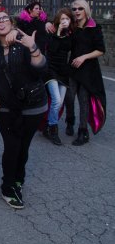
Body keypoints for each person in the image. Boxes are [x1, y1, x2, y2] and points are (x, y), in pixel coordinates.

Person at [0, 11, 48, 209]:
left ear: (12, 23)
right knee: (12, 145)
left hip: (33, 105)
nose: (1, 22)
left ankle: (18, 179)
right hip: (4, 106)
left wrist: (33, 47)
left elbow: (41, 68)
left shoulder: (24, 42)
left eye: (5, 19)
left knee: (24, 146)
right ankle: (7, 186)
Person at [67, 0, 106, 146]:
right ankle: (70, 119)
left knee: (84, 100)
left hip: (88, 71)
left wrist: (84, 57)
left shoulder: (94, 28)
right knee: (69, 97)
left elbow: (101, 50)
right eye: (74, 9)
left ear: (86, 10)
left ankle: (83, 131)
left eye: (80, 9)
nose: (76, 11)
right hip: (72, 68)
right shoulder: (72, 27)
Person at [43, 8, 74, 145]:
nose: (64, 21)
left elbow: (67, 48)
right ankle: (53, 130)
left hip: (63, 71)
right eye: (62, 19)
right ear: (58, 20)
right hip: (51, 70)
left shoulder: (70, 35)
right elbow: (52, 49)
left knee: (59, 103)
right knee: (56, 99)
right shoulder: (51, 32)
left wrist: (65, 33)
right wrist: (58, 31)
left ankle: (47, 125)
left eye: (67, 19)